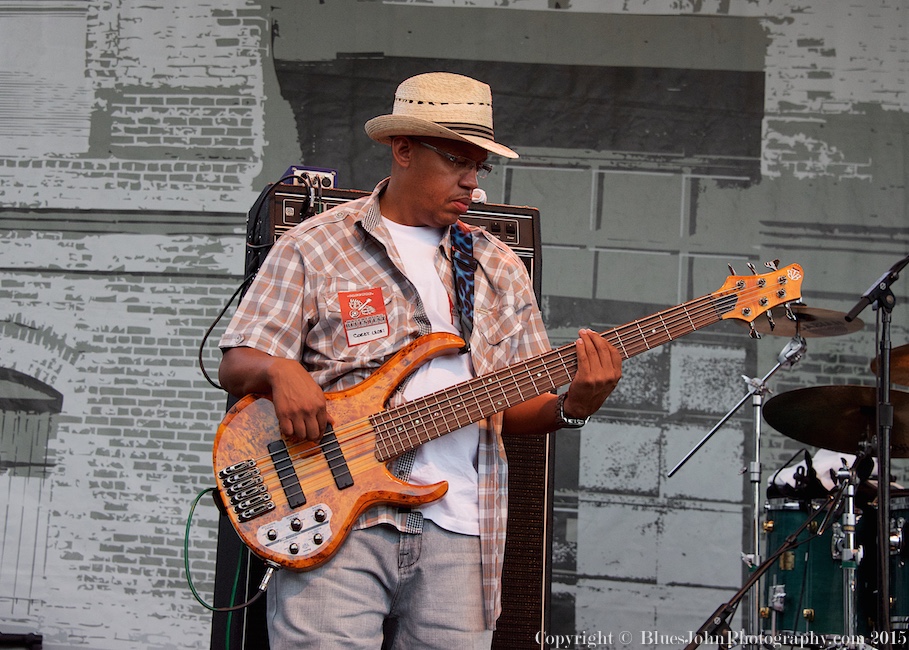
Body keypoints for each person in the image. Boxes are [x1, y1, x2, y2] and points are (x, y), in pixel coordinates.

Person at [217, 71, 622, 650]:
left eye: (479, 165)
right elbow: (239, 361)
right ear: (402, 149)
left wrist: (575, 407)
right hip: (336, 518)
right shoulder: (315, 243)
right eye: (457, 159)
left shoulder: (497, 266)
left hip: (460, 530)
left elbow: (514, 407)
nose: (471, 180)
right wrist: (280, 370)